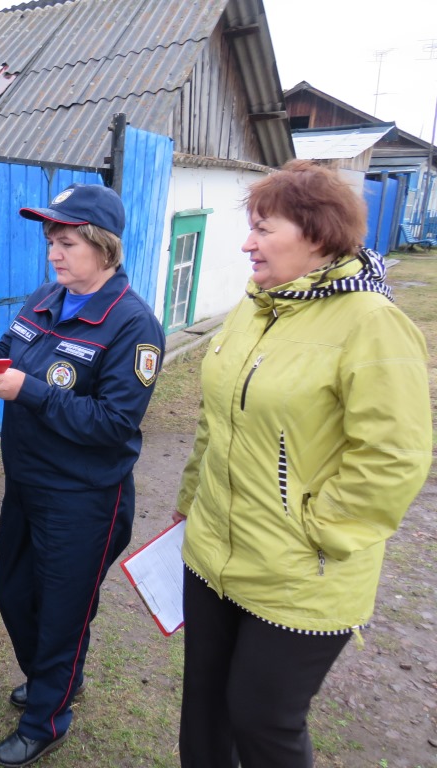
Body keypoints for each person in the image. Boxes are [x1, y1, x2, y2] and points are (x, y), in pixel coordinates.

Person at [171, 159, 432, 768]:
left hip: (299, 573)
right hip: (212, 553)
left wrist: (318, 530)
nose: (247, 242)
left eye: (264, 228)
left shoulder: (371, 323)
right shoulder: (256, 307)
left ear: (316, 235)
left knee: (263, 722)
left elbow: (394, 456)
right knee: (204, 716)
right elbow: (217, 419)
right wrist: (191, 503)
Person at [0, 183, 166, 767]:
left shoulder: (132, 325)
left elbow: (115, 423)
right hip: (27, 483)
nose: (53, 253)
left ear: (103, 246)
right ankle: (54, 676)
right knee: (16, 592)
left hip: (84, 498)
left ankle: (48, 716)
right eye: (51, 240)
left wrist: (31, 393)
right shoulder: (46, 298)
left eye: (66, 242)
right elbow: (14, 365)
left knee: (64, 610)